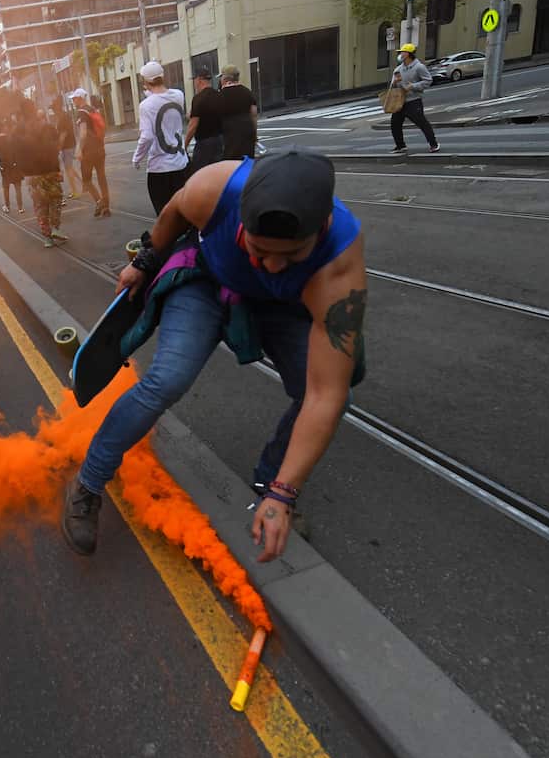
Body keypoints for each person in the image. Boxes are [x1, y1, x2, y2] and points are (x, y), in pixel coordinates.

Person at [61, 148, 366, 560]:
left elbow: (324, 395)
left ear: (323, 227)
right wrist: (146, 261)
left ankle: (269, 486)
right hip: (206, 280)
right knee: (166, 380)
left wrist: (283, 492)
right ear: (241, 217)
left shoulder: (339, 264)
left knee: (336, 393)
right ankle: (88, 481)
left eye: (291, 256)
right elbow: (172, 212)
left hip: (283, 304)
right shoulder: (213, 189)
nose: (273, 265)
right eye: (259, 249)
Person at [131, 60, 191, 215]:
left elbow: (147, 136)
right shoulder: (179, 95)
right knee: (184, 212)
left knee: (165, 215)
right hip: (181, 163)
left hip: (160, 168)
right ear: (162, 77)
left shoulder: (146, 105)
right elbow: (163, 100)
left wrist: (137, 158)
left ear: (145, 81)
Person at [18, 107, 67, 247]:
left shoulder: (21, 134)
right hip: (49, 172)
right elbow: (53, 151)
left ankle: (47, 238)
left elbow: (18, 156)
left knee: (40, 206)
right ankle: (56, 228)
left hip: (32, 176)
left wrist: (25, 174)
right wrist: (58, 171)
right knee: (55, 200)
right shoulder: (47, 129)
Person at [389, 43, 439, 154]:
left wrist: (414, 86)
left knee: (421, 123)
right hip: (400, 101)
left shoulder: (419, 67)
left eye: (402, 52)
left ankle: (433, 144)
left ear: (408, 54)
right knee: (395, 123)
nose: (400, 54)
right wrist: (395, 83)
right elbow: (392, 86)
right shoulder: (398, 69)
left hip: (414, 100)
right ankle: (400, 146)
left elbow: (428, 80)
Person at [71, 88, 110, 217]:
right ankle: (106, 206)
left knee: (86, 180)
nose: (73, 101)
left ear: (80, 98)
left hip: (88, 151)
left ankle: (99, 202)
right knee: (101, 177)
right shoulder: (93, 110)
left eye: (74, 98)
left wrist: (78, 149)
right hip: (100, 149)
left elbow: (83, 133)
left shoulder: (81, 113)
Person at [185, 66, 225, 170]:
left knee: (198, 173)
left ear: (199, 79)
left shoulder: (198, 98)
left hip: (204, 143)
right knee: (217, 172)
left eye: (194, 80)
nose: (194, 83)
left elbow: (193, 125)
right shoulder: (219, 95)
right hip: (219, 140)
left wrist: (185, 145)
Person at [218, 65, 260, 161]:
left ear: (224, 78)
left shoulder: (220, 96)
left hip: (230, 135)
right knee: (247, 162)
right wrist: (255, 134)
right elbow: (253, 114)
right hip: (247, 131)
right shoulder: (247, 92)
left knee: (232, 164)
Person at [0, 121, 25, 214]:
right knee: (18, 187)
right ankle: (20, 207)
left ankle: (7, 206)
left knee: (6, 187)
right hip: (15, 165)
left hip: (4, 166)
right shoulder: (14, 138)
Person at [54, 104, 82, 198]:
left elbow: (63, 135)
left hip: (67, 147)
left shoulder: (62, 119)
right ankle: (84, 183)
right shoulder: (66, 115)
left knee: (68, 169)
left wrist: (58, 147)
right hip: (71, 144)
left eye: (53, 109)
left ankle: (75, 191)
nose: (53, 112)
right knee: (70, 167)